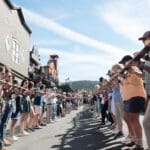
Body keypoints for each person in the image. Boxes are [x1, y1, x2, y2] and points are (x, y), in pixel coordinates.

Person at [119, 55, 146, 150]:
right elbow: (126, 85)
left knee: (134, 119)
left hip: (136, 96)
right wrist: (122, 79)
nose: (123, 65)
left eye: (123, 63)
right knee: (127, 118)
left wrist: (132, 71)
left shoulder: (134, 68)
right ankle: (134, 139)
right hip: (128, 98)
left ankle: (139, 144)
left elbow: (139, 77)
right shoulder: (126, 72)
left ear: (128, 61)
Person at [139, 31, 150, 150]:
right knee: (147, 123)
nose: (143, 42)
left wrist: (143, 66)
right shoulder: (147, 56)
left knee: (146, 123)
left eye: (145, 39)